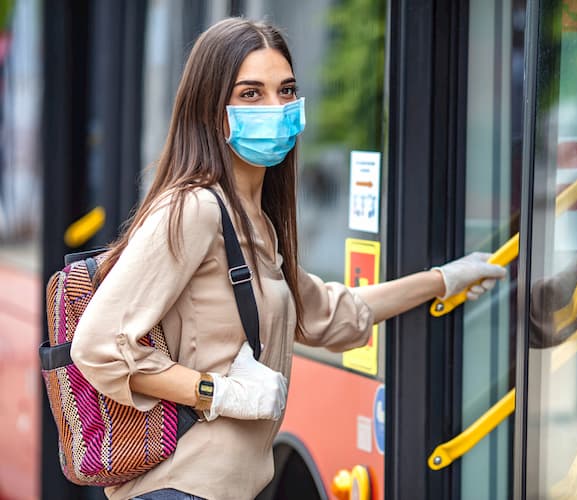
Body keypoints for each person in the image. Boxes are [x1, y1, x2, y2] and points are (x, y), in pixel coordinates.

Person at [69, 17, 506, 500]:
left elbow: (332, 314)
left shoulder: (254, 223)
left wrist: (443, 280)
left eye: (286, 90)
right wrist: (219, 393)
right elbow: (98, 345)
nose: (276, 108)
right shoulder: (194, 208)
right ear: (211, 109)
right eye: (251, 93)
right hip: (181, 489)